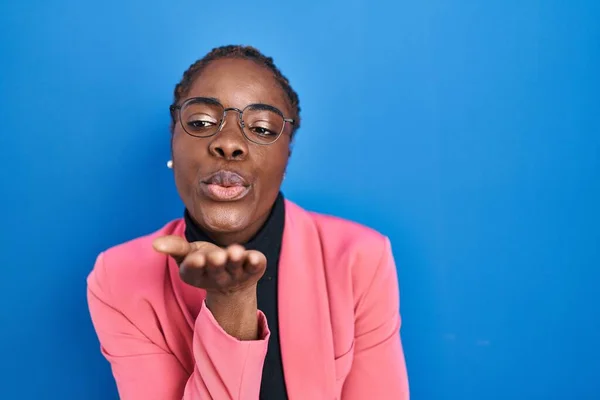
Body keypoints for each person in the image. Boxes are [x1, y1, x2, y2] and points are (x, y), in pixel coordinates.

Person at [86, 45, 409, 400]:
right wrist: (231, 303)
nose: (228, 143)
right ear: (173, 143)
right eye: (201, 122)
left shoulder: (360, 259)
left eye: (262, 128)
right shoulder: (119, 278)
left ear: (286, 159)